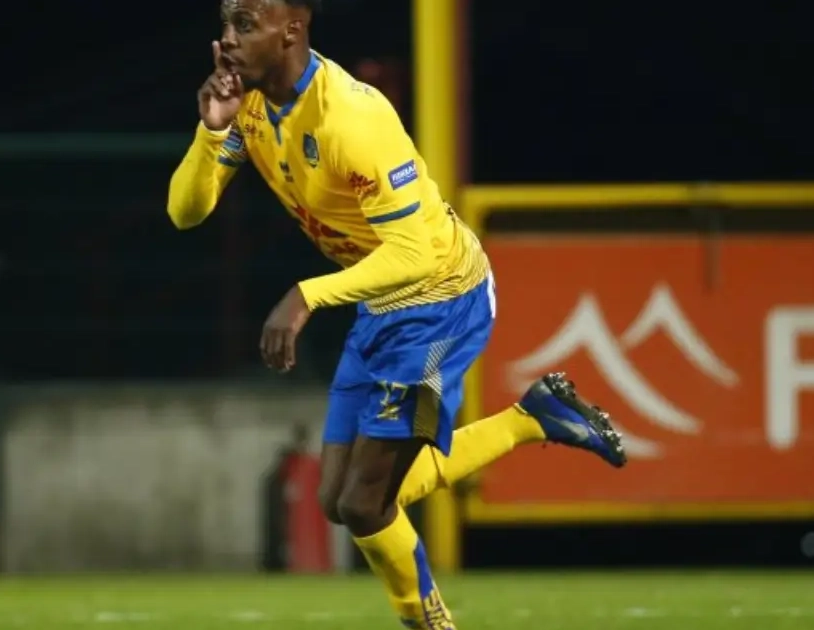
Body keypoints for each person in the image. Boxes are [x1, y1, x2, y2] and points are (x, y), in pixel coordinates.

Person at [167, 1, 627, 627]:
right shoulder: (246, 106)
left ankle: (431, 622)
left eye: (245, 24)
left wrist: (307, 295)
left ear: (292, 30)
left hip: (442, 301)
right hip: (380, 302)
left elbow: (416, 253)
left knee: (365, 504)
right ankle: (532, 419)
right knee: (339, 501)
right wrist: (212, 131)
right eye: (225, 22)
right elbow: (185, 211)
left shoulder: (351, 117)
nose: (227, 39)